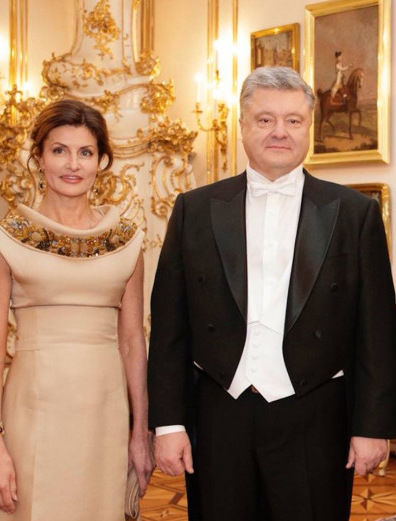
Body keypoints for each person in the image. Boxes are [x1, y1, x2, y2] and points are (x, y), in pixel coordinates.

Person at [147, 66, 396, 521]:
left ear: (309, 127)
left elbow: (377, 331)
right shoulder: (194, 210)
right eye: (265, 119)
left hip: (317, 415)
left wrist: (372, 426)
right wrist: (168, 423)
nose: (279, 131)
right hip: (219, 413)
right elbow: (169, 329)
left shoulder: (355, 214)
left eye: (293, 120)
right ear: (242, 126)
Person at [0, 99, 154, 521]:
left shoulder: (127, 240)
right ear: (39, 158)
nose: (73, 164)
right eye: (59, 150)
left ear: (101, 161)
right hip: (31, 413)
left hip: (107, 415)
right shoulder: (3, 240)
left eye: (85, 152)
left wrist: (140, 432)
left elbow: (133, 342)